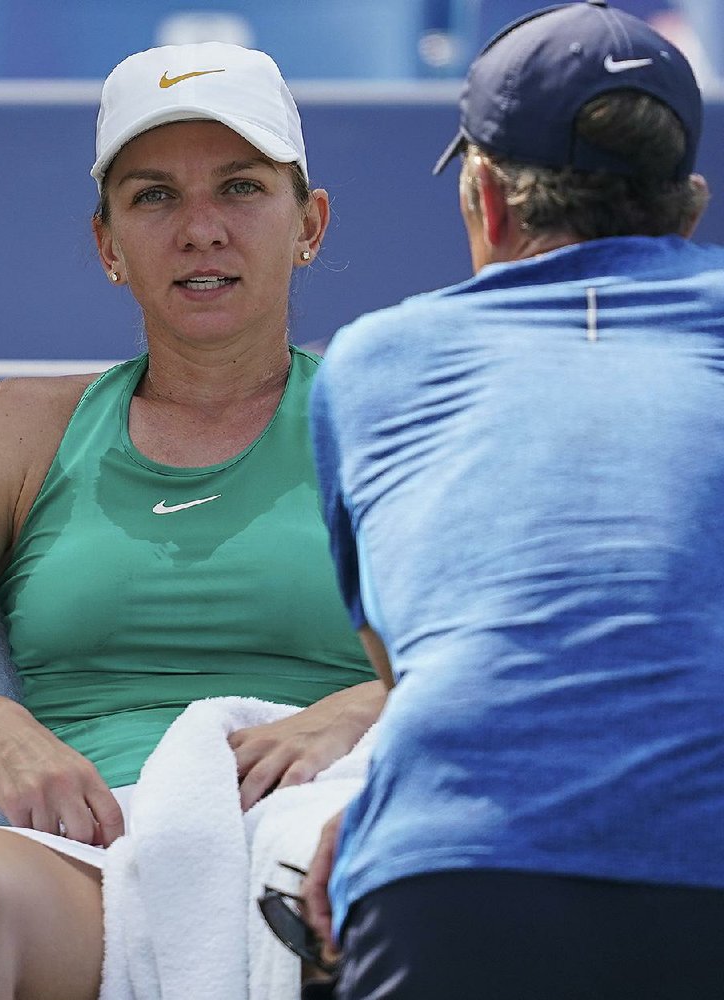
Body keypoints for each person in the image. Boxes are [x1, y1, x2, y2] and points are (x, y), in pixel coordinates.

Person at [0, 41, 384, 999]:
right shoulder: (17, 429)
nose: (201, 229)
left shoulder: (391, 414)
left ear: (310, 223)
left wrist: (362, 709)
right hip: (89, 860)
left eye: (242, 188)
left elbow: (518, 655)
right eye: (154, 196)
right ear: (108, 245)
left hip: (339, 829)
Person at [301, 2, 724, 997]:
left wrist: (390, 829)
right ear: (689, 211)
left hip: (448, 885)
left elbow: (419, 673)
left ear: (483, 202)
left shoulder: (369, 365)